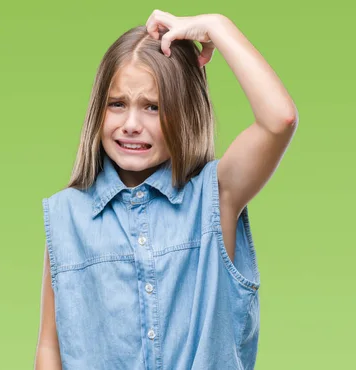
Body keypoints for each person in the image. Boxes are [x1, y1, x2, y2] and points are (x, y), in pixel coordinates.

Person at [34, 10, 298, 370]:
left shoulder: (215, 196)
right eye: (117, 104)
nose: (131, 124)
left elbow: (278, 120)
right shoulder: (66, 216)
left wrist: (217, 27)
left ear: (185, 113)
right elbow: (50, 351)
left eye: (153, 108)